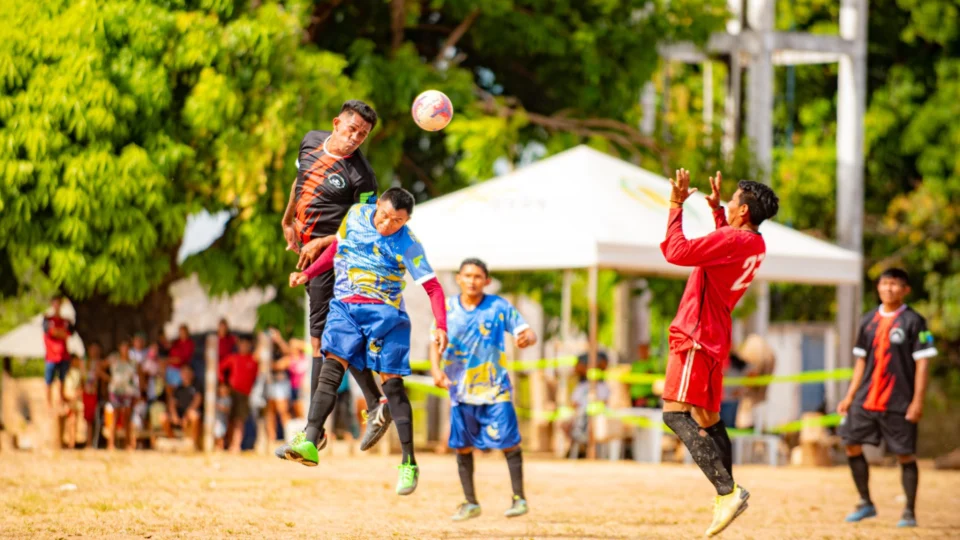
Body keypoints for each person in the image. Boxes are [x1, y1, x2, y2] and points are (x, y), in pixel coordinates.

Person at [281, 187, 448, 496]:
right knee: (331, 368)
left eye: (397, 221)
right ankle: (311, 439)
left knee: (393, 385)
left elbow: (434, 288)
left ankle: (409, 463)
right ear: (377, 206)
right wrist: (310, 273)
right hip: (346, 308)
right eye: (384, 216)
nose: (387, 224)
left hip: (386, 315)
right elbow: (337, 250)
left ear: (406, 220)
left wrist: (441, 325)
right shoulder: (357, 214)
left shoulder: (408, 243)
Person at [659, 169, 779, 537]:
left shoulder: (733, 239)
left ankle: (727, 492)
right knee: (708, 418)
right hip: (715, 334)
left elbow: (675, 252)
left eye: (732, 201)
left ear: (743, 212)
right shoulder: (754, 242)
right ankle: (724, 497)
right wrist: (715, 213)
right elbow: (726, 249)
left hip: (695, 332)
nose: (727, 203)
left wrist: (676, 204)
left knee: (674, 415)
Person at [279, 99, 393, 452]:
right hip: (310, 252)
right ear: (336, 124)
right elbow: (300, 183)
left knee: (322, 342)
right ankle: (374, 403)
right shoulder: (310, 141)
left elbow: (366, 230)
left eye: (363, 134)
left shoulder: (363, 177)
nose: (356, 137)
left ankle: (316, 433)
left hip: (337, 258)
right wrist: (287, 220)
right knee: (329, 340)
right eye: (352, 129)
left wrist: (322, 243)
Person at [429, 258, 536, 521]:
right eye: (467, 275)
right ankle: (470, 502)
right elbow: (435, 341)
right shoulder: (446, 309)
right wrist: (435, 369)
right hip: (460, 390)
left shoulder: (498, 307)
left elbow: (527, 332)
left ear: (486, 281)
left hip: (495, 389)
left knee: (510, 442)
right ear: (458, 278)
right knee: (462, 446)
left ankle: (519, 498)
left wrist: (526, 338)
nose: (472, 281)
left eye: (478, 276)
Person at [837, 268, 936, 528]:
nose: (888, 288)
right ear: (878, 288)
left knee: (905, 455)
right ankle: (865, 502)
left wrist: (917, 401)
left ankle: (909, 512)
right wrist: (849, 396)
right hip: (865, 399)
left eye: (894, 284)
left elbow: (923, 365)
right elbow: (860, 361)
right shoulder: (867, 320)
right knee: (850, 443)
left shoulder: (915, 322)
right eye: (884, 284)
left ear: (905, 290)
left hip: (899, 401)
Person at [218, 336, 259, 453]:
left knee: (239, 421)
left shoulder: (253, 360)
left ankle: (236, 445)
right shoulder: (233, 358)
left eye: (247, 345)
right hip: (232, 392)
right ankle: (225, 444)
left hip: (245, 395)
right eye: (242, 344)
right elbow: (219, 369)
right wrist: (223, 385)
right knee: (228, 419)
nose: (244, 347)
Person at [42, 296, 74, 410]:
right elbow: (51, 332)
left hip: (63, 355)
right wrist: (60, 333)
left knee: (62, 380)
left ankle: (60, 401)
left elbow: (68, 334)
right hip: (51, 356)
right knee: (48, 381)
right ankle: (48, 404)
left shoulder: (66, 321)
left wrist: (57, 332)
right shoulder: (47, 319)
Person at [108, 340, 140, 451]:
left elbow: (137, 379)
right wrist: (110, 380)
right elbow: (99, 367)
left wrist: (137, 393)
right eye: (123, 347)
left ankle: (128, 444)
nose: (125, 349)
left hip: (128, 392)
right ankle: (111, 444)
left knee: (127, 416)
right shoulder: (114, 360)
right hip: (115, 391)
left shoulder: (133, 363)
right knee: (115, 417)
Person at [160, 364, 202, 448]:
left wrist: (186, 416)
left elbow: (197, 400)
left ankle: (192, 444)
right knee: (163, 417)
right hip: (179, 415)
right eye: (183, 373)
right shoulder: (178, 388)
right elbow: (172, 403)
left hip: (189, 416)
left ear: (192, 374)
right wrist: (174, 415)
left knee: (193, 415)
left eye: (187, 372)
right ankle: (173, 442)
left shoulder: (197, 386)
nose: (185, 375)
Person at [214, 382, 232, 450]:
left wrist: (219, 407)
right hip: (216, 419)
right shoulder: (216, 398)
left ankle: (220, 447)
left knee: (220, 434)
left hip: (222, 420)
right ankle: (217, 446)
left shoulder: (228, 399)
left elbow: (227, 409)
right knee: (216, 434)